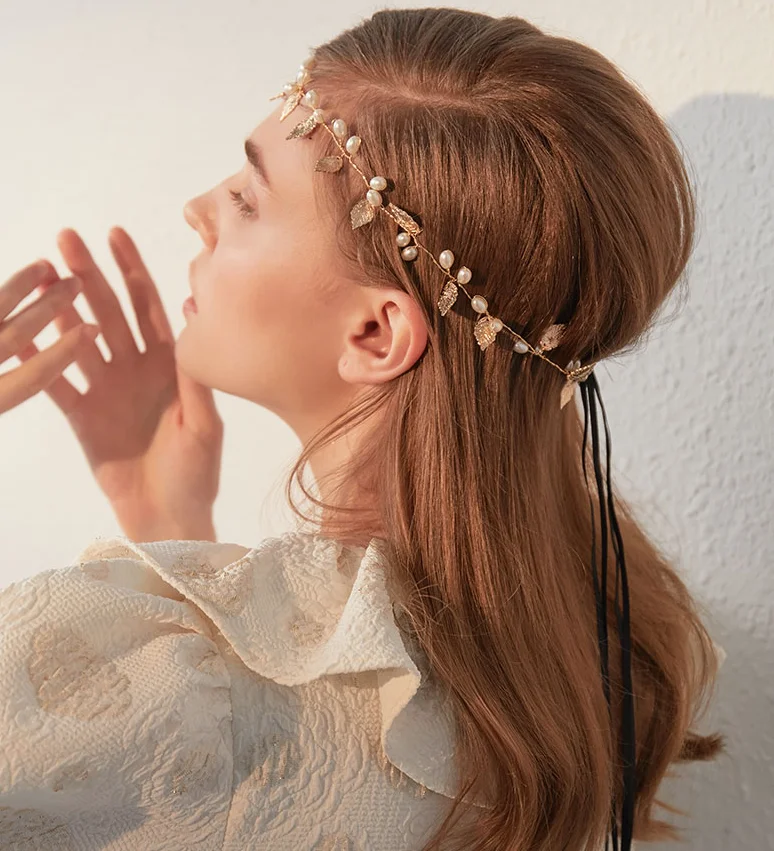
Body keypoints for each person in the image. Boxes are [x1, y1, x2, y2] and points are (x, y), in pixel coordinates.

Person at [0, 8, 727, 851]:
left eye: (245, 197)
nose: (197, 208)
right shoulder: (599, 659)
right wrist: (172, 530)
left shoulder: (123, 666)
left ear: (376, 335)